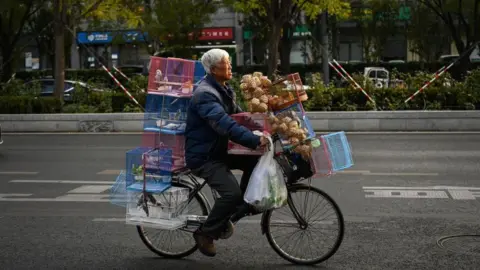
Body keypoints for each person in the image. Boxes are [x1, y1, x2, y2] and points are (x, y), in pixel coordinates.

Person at [184, 49, 268, 257]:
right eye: (226, 63)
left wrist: (266, 126)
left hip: (219, 150)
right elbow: (226, 125)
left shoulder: (223, 89)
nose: (230, 66)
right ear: (213, 69)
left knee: (256, 161)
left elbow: (239, 117)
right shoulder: (205, 94)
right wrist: (253, 140)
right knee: (231, 193)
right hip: (205, 156)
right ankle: (206, 233)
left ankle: (239, 207)